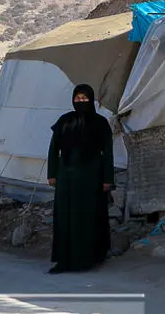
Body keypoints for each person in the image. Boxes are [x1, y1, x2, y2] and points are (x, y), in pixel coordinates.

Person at [46, 84, 114, 274]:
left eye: (85, 98)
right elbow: (54, 148)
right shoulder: (64, 121)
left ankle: (88, 259)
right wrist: (52, 173)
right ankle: (63, 261)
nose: (81, 101)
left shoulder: (100, 123)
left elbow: (108, 153)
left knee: (88, 218)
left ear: (91, 99)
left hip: (91, 178)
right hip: (66, 178)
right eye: (78, 98)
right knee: (64, 219)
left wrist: (108, 178)